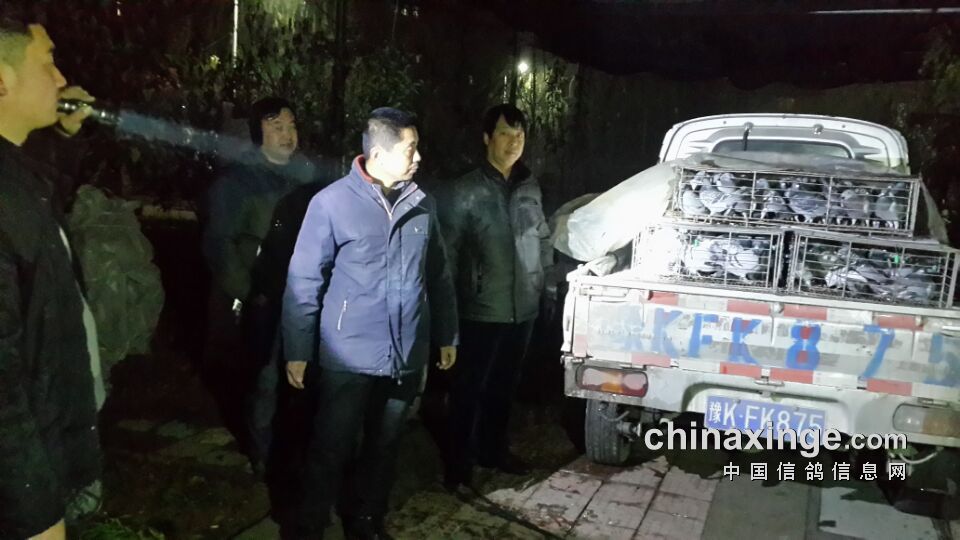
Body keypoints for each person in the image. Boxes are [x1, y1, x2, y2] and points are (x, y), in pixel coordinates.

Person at [281, 107, 458, 540]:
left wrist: (446, 334)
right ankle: (310, 525)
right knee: (331, 446)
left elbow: (438, 274)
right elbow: (303, 280)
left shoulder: (422, 204)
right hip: (349, 354)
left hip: (406, 353)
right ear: (378, 154)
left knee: (385, 447)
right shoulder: (332, 203)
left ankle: (366, 523)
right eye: (411, 149)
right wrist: (298, 349)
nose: (419, 157)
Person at [0, 19, 102, 540]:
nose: (62, 79)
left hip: (50, 445)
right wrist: (35, 511)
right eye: (47, 63)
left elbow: (41, 209)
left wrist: (63, 136)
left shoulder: (17, 171)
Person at [437, 104, 552, 488]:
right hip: (480, 309)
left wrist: (544, 282)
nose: (513, 142)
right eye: (504, 133)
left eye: (519, 135)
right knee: (468, 390)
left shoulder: (529, 186)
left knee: (505, 386)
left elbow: (542, 237)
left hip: (523, 308)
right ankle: (458, 465)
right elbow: (447, 254)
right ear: (487, 138)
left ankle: (494, 449)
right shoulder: (464, 189)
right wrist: (448, 312)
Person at [201, 96, 316, 474]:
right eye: (276, 126)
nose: (287, 134)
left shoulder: (309, 176)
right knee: (265, 377)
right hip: (263, 296)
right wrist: (247, 293)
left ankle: (295, 449)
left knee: (304, 376)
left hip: (305, 296)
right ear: (257, 133)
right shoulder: (238, 182)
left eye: (291, 125)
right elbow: (219, 242)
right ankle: (262, 454)